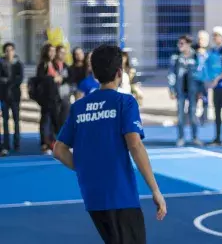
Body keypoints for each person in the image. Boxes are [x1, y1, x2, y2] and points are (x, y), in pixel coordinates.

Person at [53, 44, 167, 244]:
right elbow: (135, 145)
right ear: (119, 72)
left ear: (95, 73)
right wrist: (155, 190)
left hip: (92, 196)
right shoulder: (125, 102)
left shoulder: (79, 107)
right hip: (120, 194)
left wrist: (84, 169)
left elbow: (59, 150)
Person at [168, 35, 203, 147]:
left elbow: (200, 74)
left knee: (193, 114)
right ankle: (181, 137)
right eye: (179, 43)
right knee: (180, 115)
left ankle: (195, 137)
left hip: (193, 91)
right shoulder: (176, 57)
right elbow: (171, 74)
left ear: (188, 44)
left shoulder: (196, 56)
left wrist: (200, 91)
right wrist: (171, 89)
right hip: (180, 90)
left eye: (182, 43)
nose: (180, 46)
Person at [36, 43, 62, 154]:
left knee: (55, 121)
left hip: (55, 97)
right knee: (45, 121)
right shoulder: (43, 64)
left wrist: (59, 78)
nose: (52, 53)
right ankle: (44, 144)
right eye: (50, 51)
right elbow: (40, 80)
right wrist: (53, 79)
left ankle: (53, 142)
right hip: (46, 98)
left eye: (53, 51)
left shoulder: (55, 64)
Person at [0, 42, 24, 156]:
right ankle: (5, 145)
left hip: (15, 96)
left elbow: (20, 78)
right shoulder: (1, 62)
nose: (9, 52)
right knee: (5, 121)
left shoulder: (18, 63)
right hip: (4, 96)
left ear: (14, 51)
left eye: (11, 50)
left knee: (16, 120)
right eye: (7, 50)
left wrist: (9, 82)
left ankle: (17, 143)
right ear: (4, 52)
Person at [195, 30, 210, 125]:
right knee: (194, 98)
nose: (201, 41)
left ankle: (204, 117)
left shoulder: (210, 52)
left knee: (205, 98)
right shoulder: (194, 52)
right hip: (195, 80)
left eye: (203, 39)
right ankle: (193, 118)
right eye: (199, 39)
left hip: (205, 80)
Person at [54, 45, 71, 126]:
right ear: (56, 53)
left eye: (64, 53)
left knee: (64, 120)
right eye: (61, 52)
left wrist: (62, 79)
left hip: (65, 96)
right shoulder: (51, 65)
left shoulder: (67, 67)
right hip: (54, 97)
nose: (63, 55)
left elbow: (70, 78)